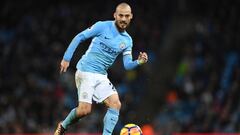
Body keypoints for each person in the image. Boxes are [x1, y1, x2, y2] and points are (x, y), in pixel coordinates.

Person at [54, 2, 148, 135]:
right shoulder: (102, 26)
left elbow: (127, 65)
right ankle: (63, 126)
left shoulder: (127, 40)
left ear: (131, 17)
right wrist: (66, 58)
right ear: (115, 15)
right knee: (84, 110)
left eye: (126, 16)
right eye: (120, 15)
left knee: (116, 104)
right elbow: (80, 37)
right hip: (86, 71)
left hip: (101, 75)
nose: (123, 19)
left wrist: (138, 62)